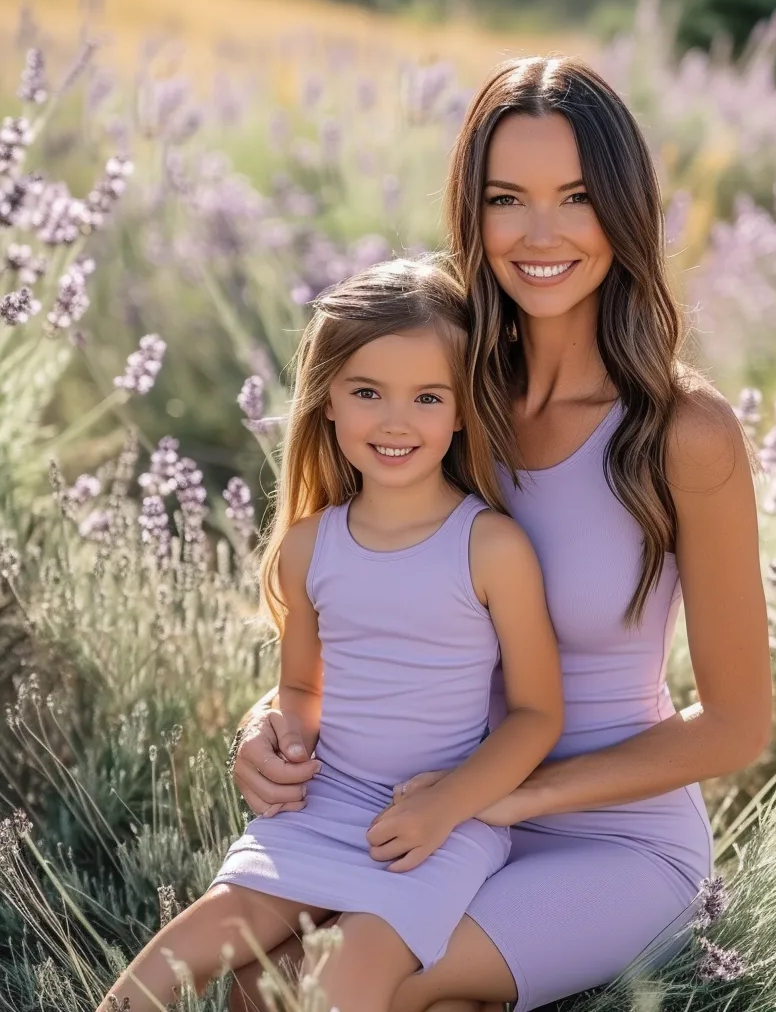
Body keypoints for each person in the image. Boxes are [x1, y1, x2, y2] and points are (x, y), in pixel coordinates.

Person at [228, 56, 773, 1012]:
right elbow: (345, 596)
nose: (541, 233)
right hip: (421, 812)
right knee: (242, 985)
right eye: (506, 199)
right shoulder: (438, 385)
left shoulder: (685, 434)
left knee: (324, 990)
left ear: (624, 210)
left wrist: (506, 797)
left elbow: (737, 724)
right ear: (471, 214)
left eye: (575, 197)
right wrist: (267, 728)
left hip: (610, 838)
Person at [98, 258, 563, 1012]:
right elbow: (302, 687)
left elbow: (540, 714)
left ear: (460, 411)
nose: (395, 420)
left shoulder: (491, 548)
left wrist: (448, 804)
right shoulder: (310, 547)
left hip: (442, 825)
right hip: (321, 808)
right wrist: (280, 738)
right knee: (167, 969)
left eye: (427, 396)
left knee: (329, 992)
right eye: (367, 392)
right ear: (327, 403)